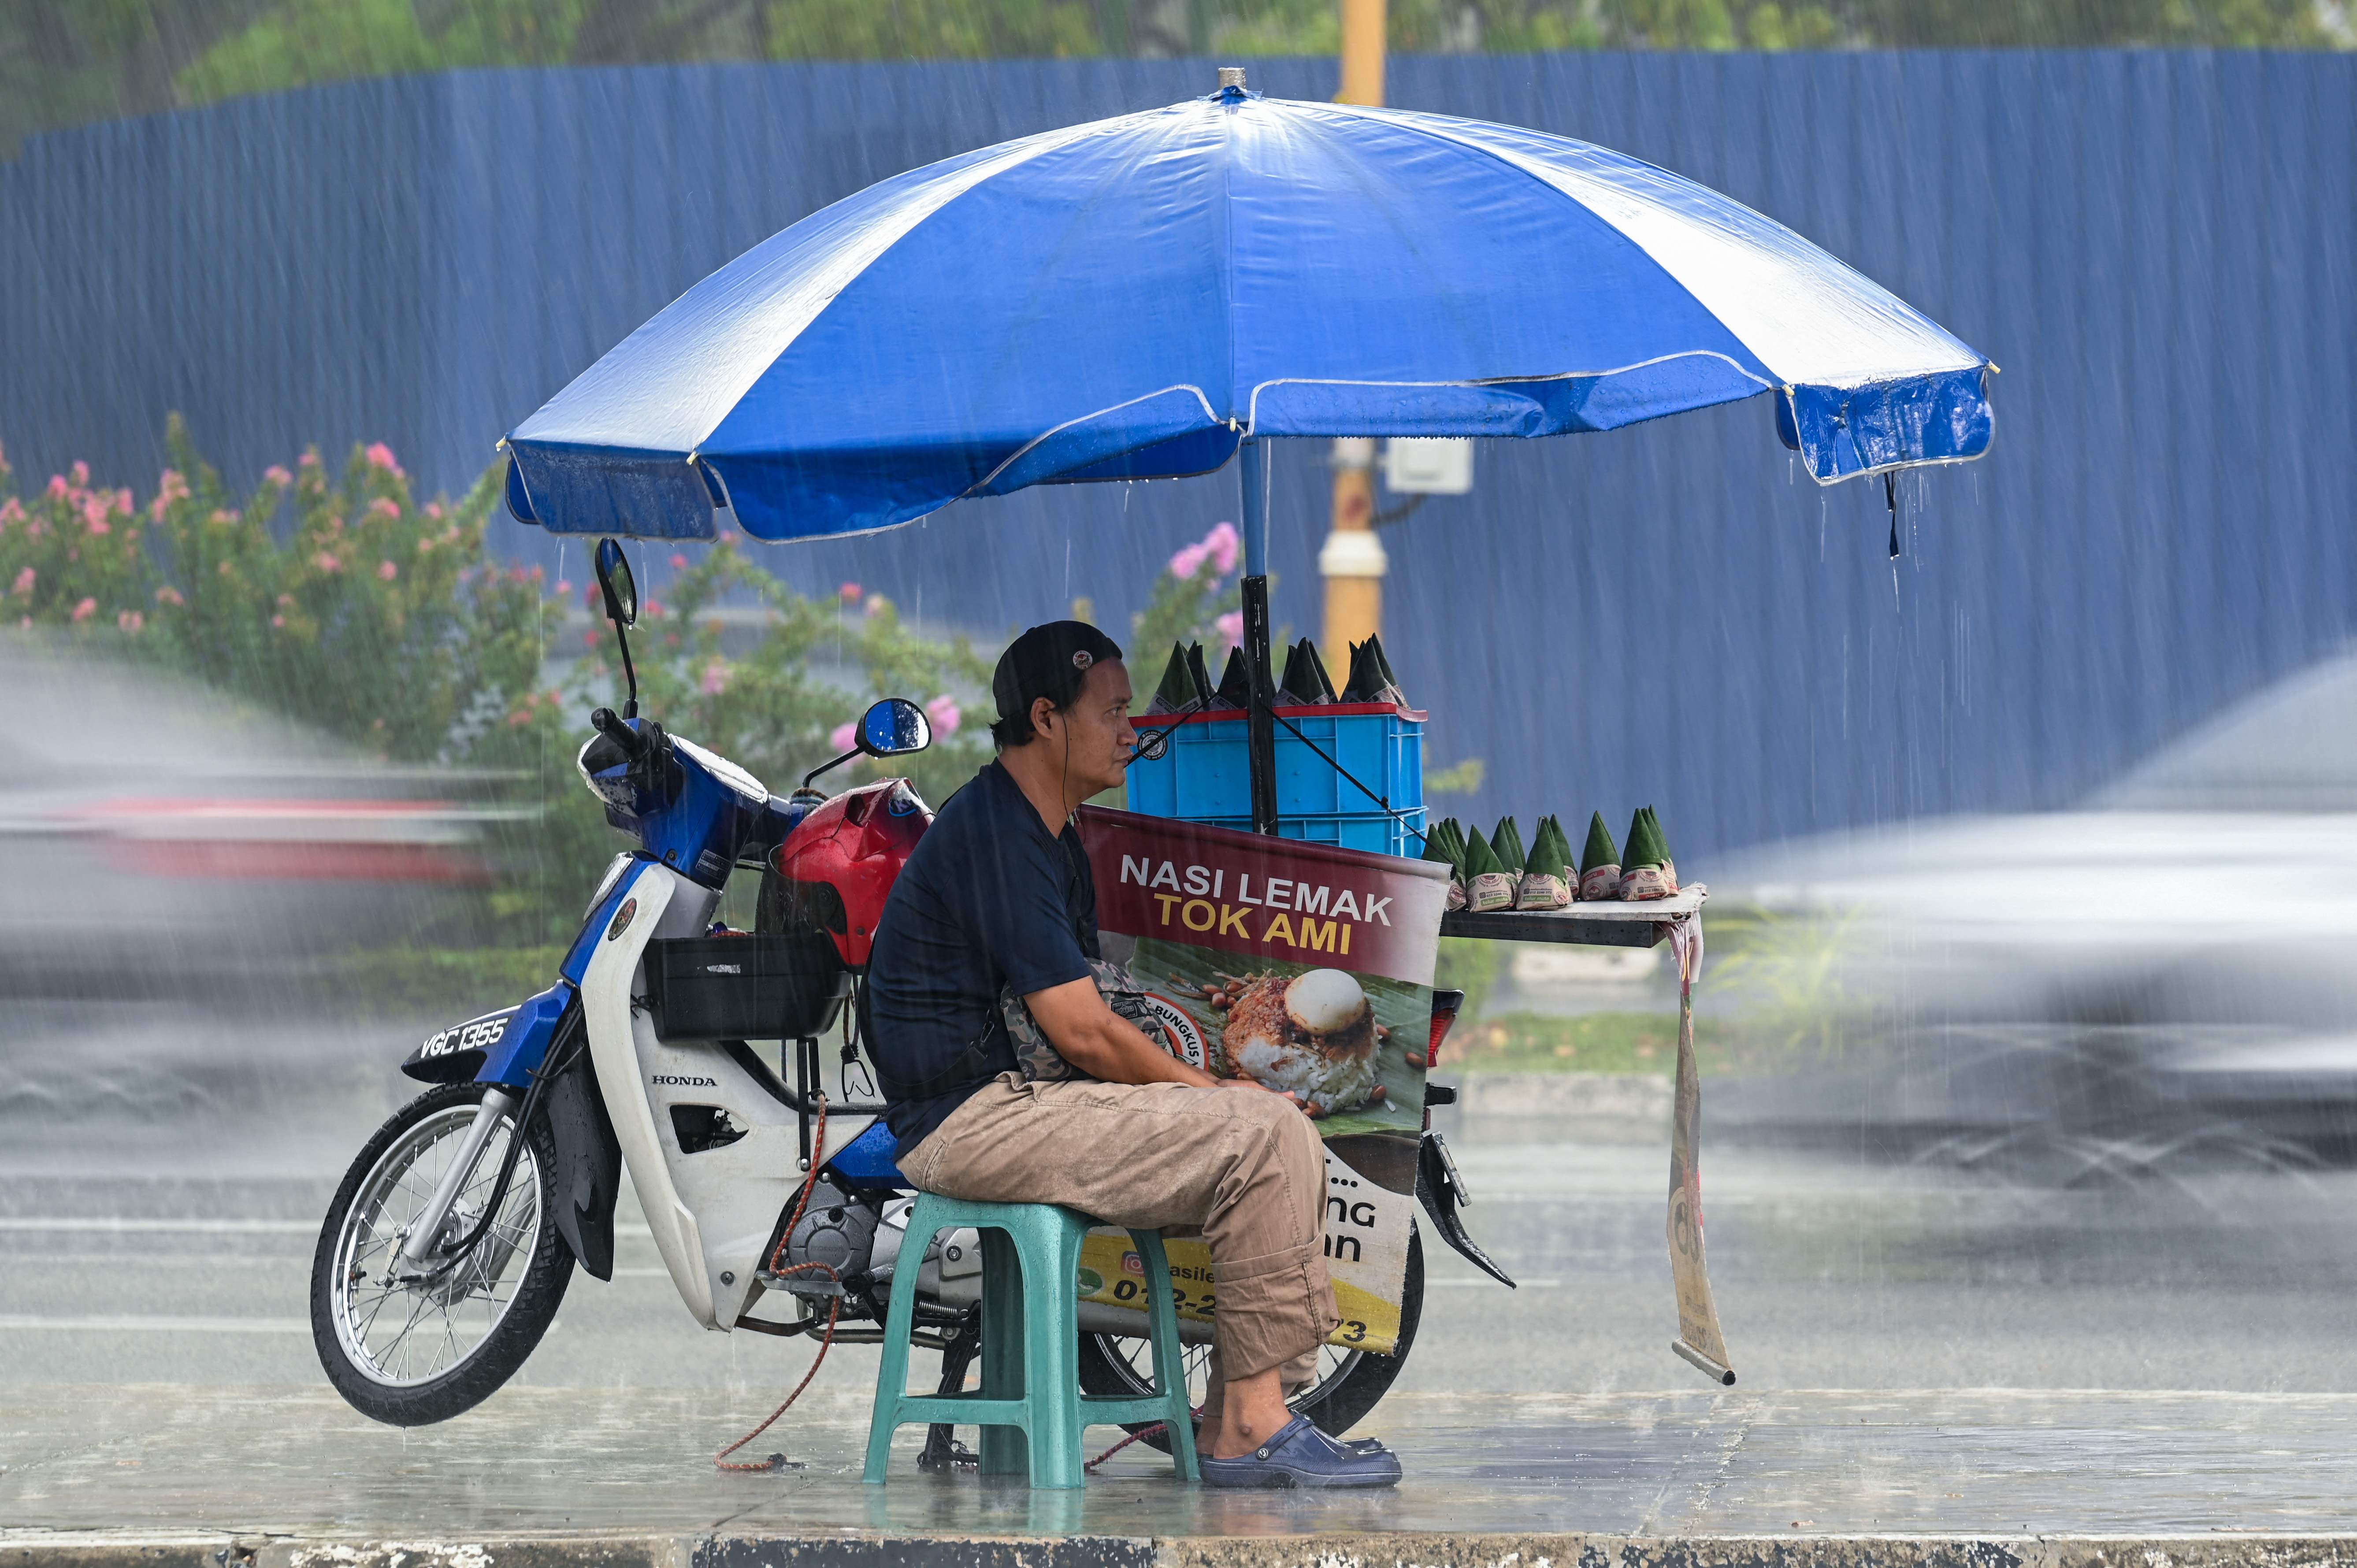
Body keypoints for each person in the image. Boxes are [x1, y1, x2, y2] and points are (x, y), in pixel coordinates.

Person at [864, 619, 1401, 1489]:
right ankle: (1255, 1423)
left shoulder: (1051, 832)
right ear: (1046, 718)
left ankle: (1239, 1417)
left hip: (1015, 1101)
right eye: (1111, 710)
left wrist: (1218, 1091)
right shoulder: (999, 833)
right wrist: (1205, 1091)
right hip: (969, 1118)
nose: (1130, 728)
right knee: (1256, 1131)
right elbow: (1078, 1030)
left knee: (1272, 1127)